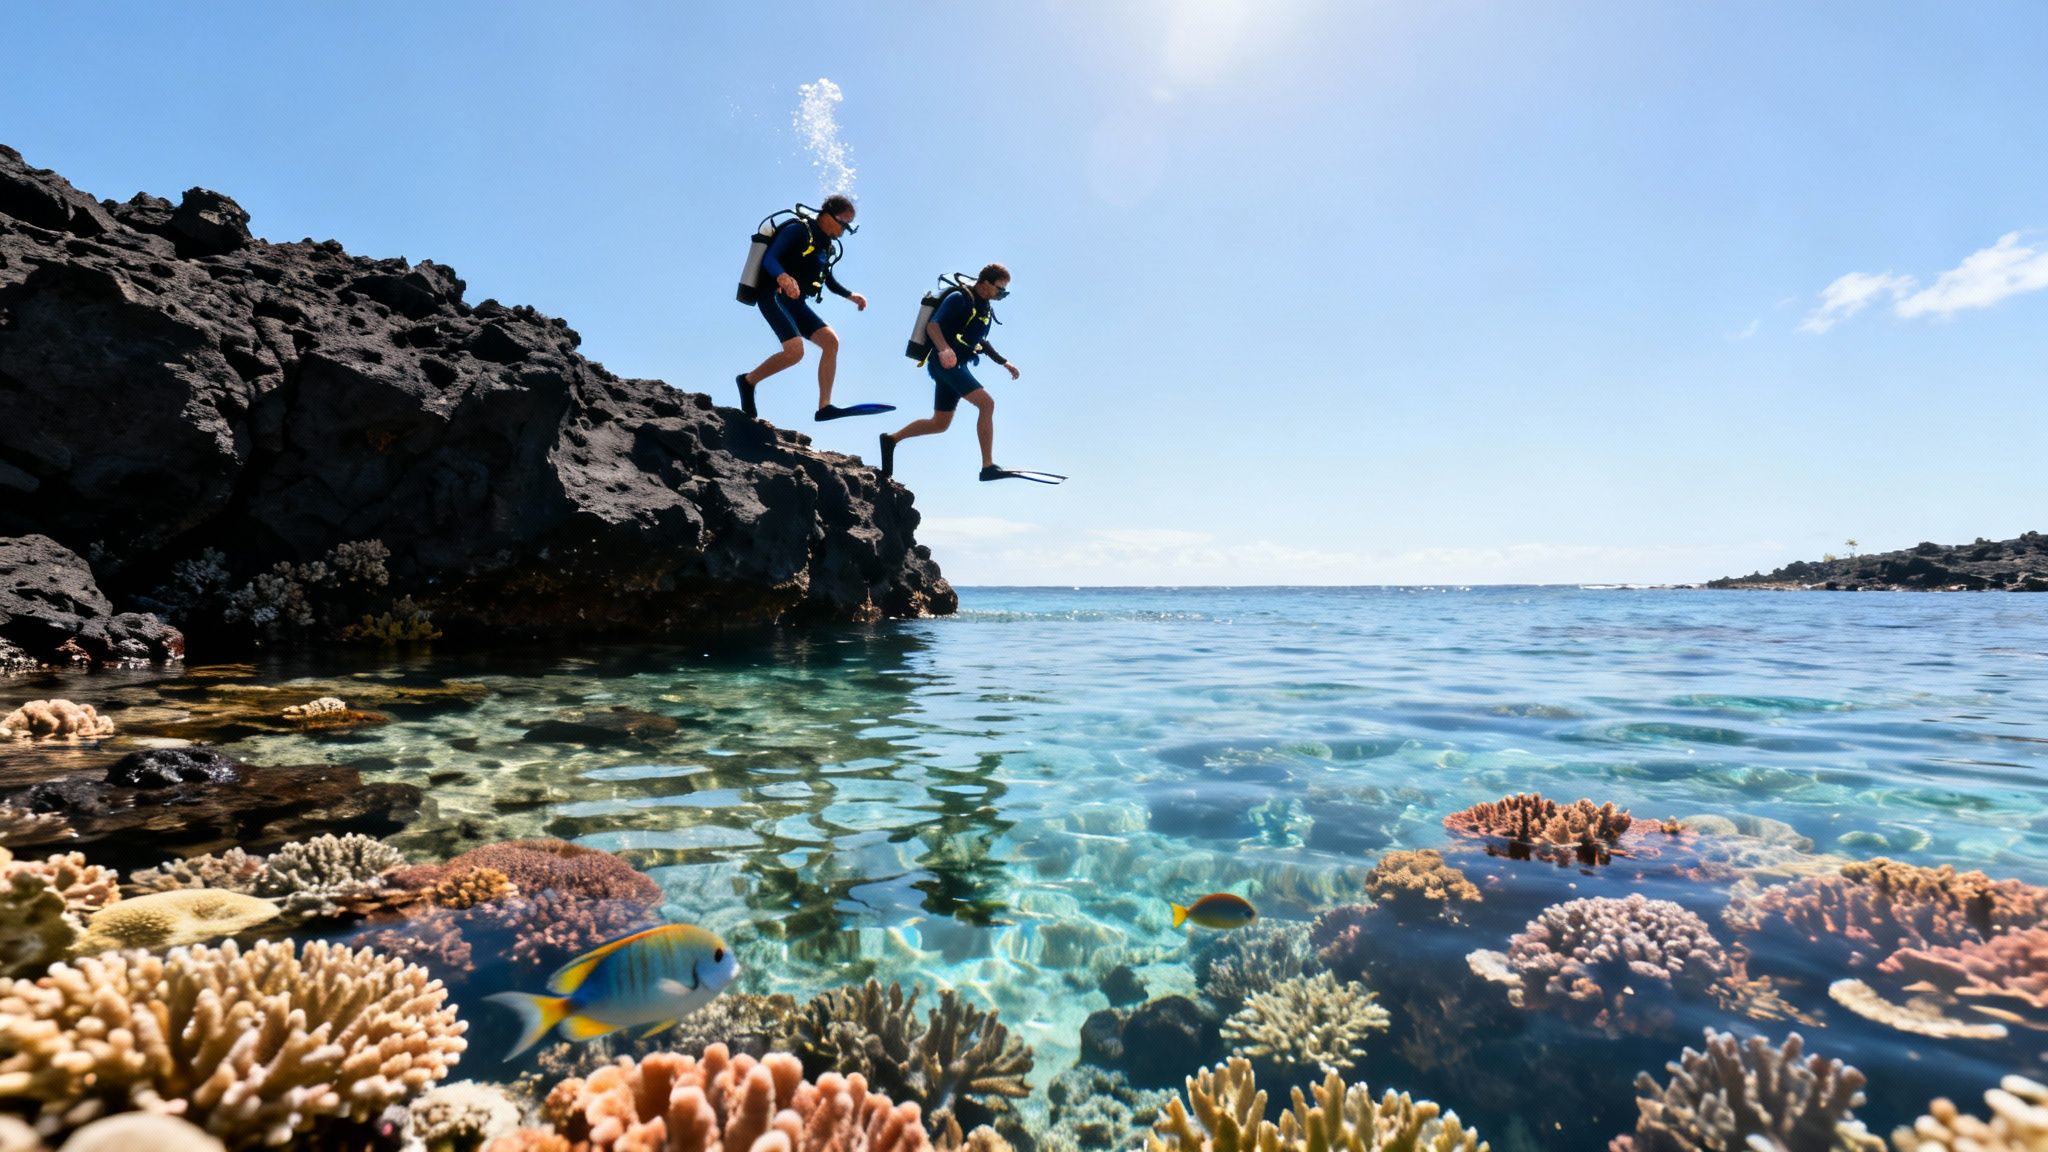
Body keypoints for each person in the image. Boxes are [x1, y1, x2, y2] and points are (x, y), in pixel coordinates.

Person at [734, 194, 870, 421]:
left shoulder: (827, 246)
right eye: (844, 224)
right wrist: (783, 277)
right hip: (773, 295)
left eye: (849, 227)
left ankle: (824, 407)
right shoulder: (799, 229)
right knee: (795, 353)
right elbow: (770, 258)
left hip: (796, 303)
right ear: (827, 215)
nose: (844, 231)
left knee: (831, 342)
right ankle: (747, 381)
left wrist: (850, 295)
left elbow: (827, 279)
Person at [879, 263, 1019, 481]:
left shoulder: (983, 308)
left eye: (1005, 291)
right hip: (944, 363)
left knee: (940, 423)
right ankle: (988, 467)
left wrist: (1004, 362)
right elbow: (933, 326)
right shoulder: (960, 297)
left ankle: (891, 439)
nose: (1002, 294)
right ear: (984, 283)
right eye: (1000, 289)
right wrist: (944, 349)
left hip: (956, 365)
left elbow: (980, 341)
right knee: (987, 404)